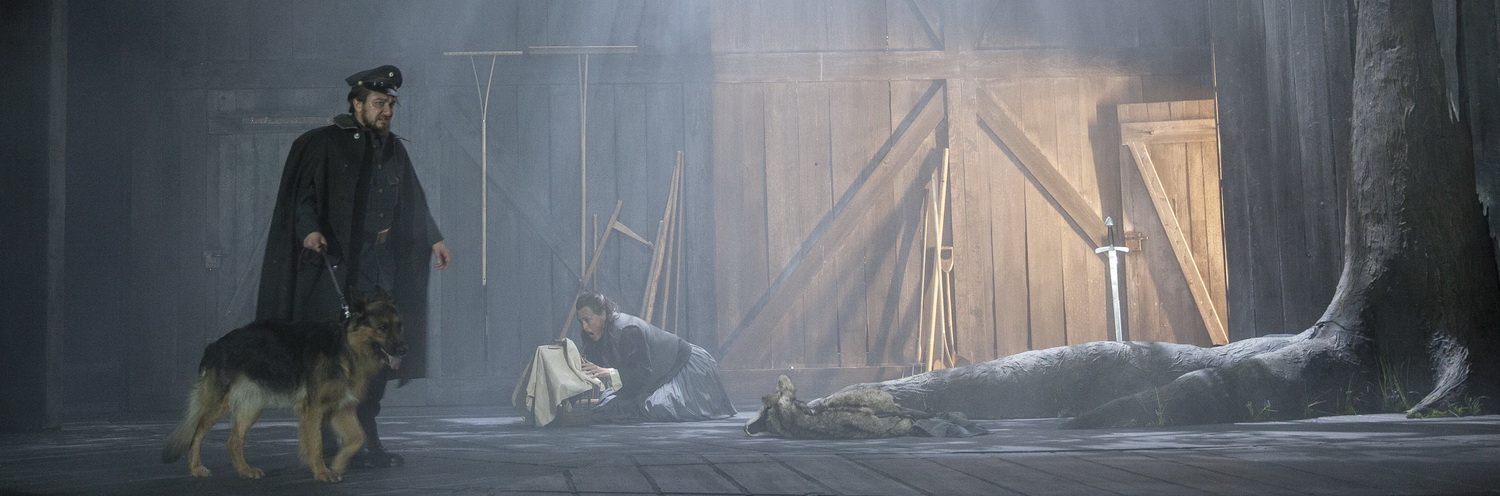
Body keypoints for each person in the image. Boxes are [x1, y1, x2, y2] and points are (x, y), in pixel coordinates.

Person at [255, 64, 450, 468]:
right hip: (341, 264)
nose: (387, 112)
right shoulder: (323, 143)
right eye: (379, 103)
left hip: (381, 264)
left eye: (391, 105)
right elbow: (303, 198)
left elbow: (413, 200)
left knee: (377, 352)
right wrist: (309, 230)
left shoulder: (394, 150)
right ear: (356, 104)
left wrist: (434, 238)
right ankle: (333, 442)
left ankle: (366, 437)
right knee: (333, 355)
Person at [574, 293, 737, 423]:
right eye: (581, 322)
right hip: (655, 376)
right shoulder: (597, 334)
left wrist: (608, 373)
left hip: (684, 368)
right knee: (608, 406)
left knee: (651, 407)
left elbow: (641, 374)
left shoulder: (627, 330)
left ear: (603, 314)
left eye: (587, 320)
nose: (585, 327)